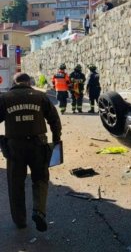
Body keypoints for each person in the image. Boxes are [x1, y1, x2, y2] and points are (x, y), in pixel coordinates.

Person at [0, 73, 62, 232]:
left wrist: (2, 141)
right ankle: (39, 211)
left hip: (14, 147)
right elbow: (54, 119)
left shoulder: (5, 98)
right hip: (38, 145)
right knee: (40, 179)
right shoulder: (40, 96)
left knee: (16, 184)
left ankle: (20, 221)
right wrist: (56, 140)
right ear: (29, 82)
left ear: (14, 83)